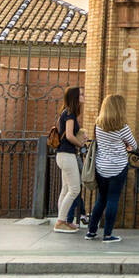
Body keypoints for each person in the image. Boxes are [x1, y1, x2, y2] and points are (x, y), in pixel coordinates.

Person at [85, 94, 139, 242]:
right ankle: (107, 234)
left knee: (101, 199)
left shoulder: (98, 125)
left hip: (101, 167)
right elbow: (134, 146)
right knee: (113, 200)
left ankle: (91, 231)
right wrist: (125, 146)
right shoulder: (122, 127)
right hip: (118, 166)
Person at [54, 86, 89, 232]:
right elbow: (68, 135)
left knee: (66, 189)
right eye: (81, 94)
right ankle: (61, 222)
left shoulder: (66, 112)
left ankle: (62, 220)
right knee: (75, 189)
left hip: (63, 155)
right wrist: (80, 143)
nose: (84, 96)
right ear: (75, 97)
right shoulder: (70, 114)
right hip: (67, 155)